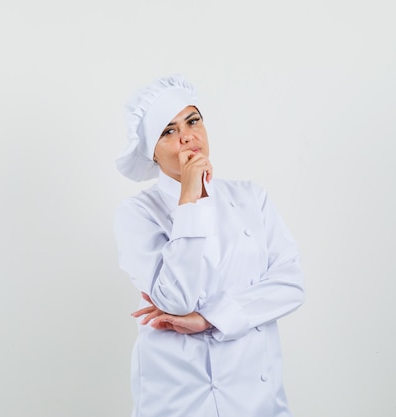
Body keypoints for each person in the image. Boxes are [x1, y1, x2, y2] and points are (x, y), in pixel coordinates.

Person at [113, 74, 305, 417]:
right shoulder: (138, 213)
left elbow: (290, 284)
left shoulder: (251, 198)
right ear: (151, 153)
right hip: (178, 396)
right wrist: (190, 200)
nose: (187, 135)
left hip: (255, 395)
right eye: (168, 131)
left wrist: (209, 318)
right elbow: (175, 299)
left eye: (192, 120)